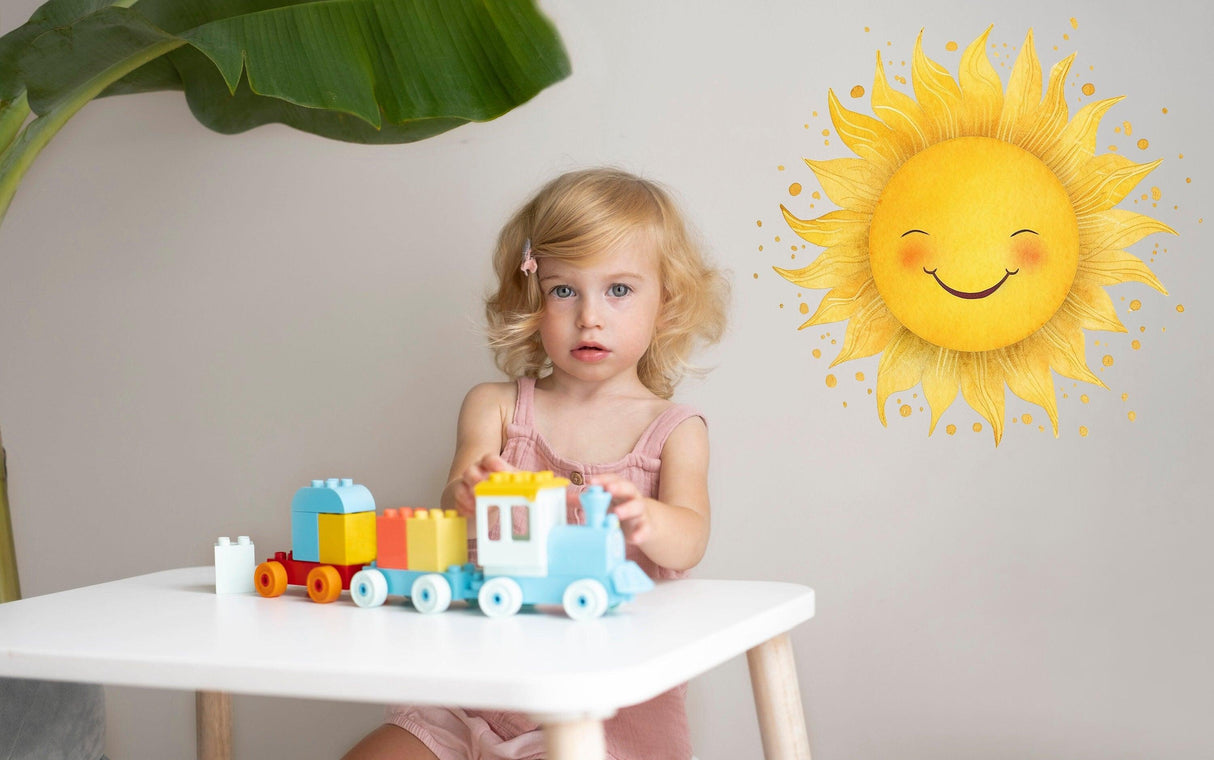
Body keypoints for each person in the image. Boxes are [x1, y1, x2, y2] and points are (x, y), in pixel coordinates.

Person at [342, 168, 729, 760]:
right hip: (470, 697)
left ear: (666, 303)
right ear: (533, 297)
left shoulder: (674, 431)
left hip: (599, 717)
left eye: (618, 290)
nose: (589, 317)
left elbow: (691, 538)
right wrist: (468, 495)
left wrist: (649, 520)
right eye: (564, 291)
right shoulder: (495, 408)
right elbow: (453, 509)